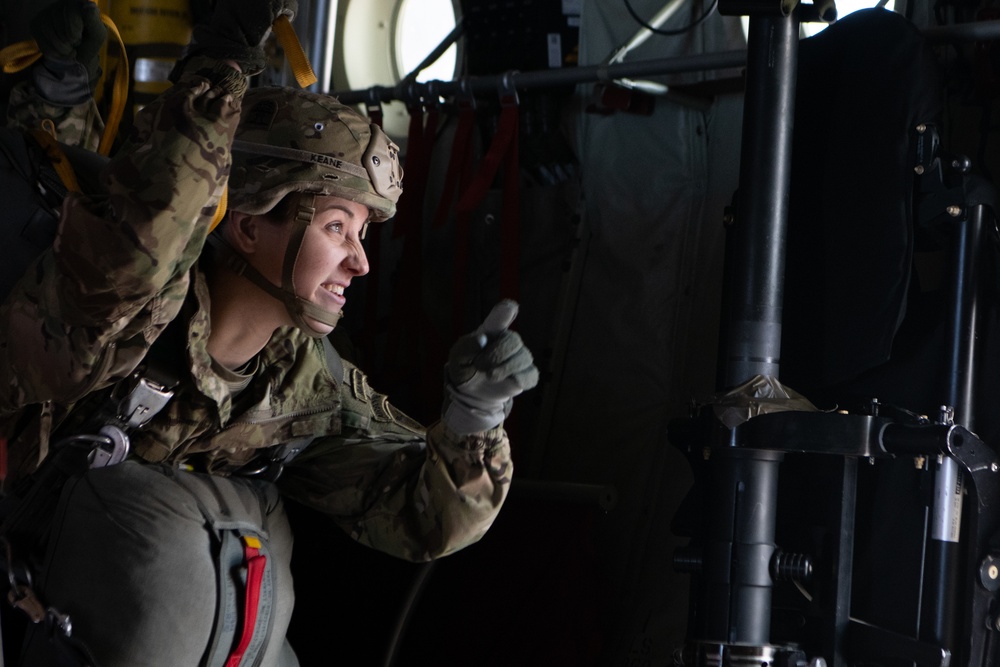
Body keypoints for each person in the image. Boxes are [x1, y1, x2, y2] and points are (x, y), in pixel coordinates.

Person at [0, 0, 539, 665]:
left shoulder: (299, 383)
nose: (361, 261)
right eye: (337, 227)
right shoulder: (126, 311)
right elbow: (153, 233)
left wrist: (474, 416)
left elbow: (422, 514)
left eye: (364, 234)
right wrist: (221, 60)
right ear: (248, 226)